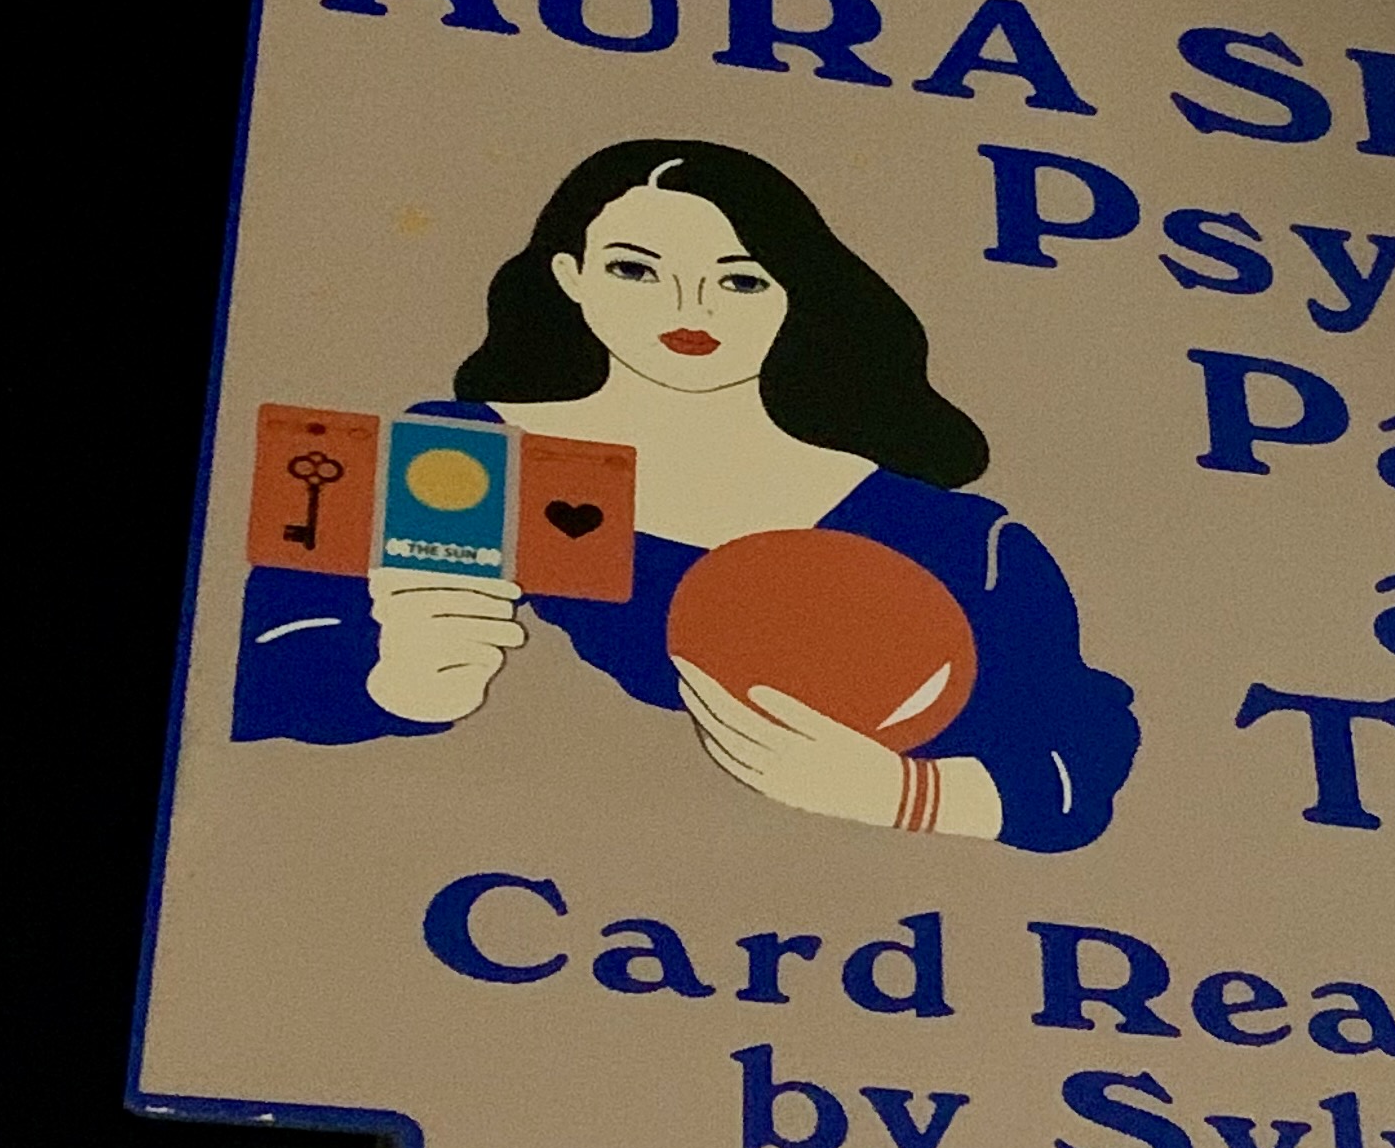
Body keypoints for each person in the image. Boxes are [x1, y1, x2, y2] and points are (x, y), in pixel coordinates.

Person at [231, 139, 1138, 853]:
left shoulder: (949, 536)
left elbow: (1078, 753)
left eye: (739, 279)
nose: (690, 306)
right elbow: (242, 670)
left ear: (792, 296)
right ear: (570, 278)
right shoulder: (447, 457)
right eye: (635, 270)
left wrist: (907, 794)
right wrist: (392, 686)